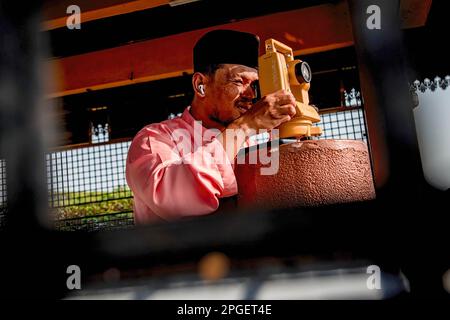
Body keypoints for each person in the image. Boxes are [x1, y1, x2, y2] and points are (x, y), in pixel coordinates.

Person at [126, 29, 297, 224]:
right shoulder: (155, 138)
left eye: (255, 85)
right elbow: (171, 199)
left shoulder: (257, 144)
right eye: (239, 81)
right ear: (200, 84)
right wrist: (243, 128)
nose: (250, 94)